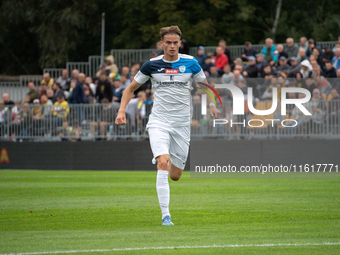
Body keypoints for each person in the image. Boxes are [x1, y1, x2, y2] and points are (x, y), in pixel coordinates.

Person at [115, 25, 220, 226]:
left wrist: (213, 105)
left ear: (180, 43)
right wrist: (121, 111)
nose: (172, 46)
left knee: (175, 175)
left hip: (181, 125)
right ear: (161, 43)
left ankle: (168, 158)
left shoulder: (191, 63)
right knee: (162, 163)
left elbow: (205, 86)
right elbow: (130, 89)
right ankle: (166, 216)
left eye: (175, 43)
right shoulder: (151, 65)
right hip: (159, 122)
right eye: (168, 43)